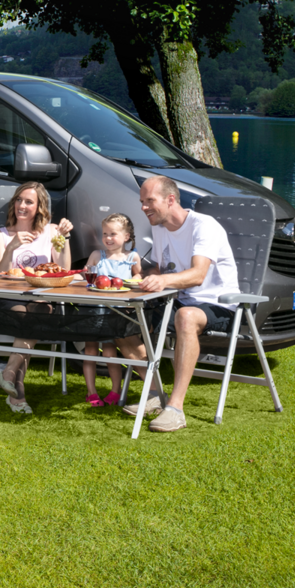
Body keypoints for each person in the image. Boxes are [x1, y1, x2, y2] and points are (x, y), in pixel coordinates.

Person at [114, 175, 238, 432]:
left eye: (149, 201)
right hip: (178, 301)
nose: (143, 207)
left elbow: (198, 275)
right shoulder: (160, 229)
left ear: (170, 199)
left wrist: (162, 280)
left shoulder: (204, 226)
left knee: (186, 317)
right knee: (122, 317)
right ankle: (154, 394)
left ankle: (175, 409)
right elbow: (161, 270)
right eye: (142, 201)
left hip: (218, 304)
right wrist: (138, 277)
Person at [0, 182, 72, 413]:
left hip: (39, 298)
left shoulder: (51, 232)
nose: (21, 206)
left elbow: (64, 269)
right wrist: (11, 247)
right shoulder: (0, 235)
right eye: (19, 200)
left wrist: (64, 238)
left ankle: (8, 374)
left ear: (39, 207)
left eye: (28, 201)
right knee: (29, 322)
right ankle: (17, 391)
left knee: (39, 311)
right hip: (8, 298)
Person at [76, 214, 141, 407]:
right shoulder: (98, 255)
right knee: (90, 351)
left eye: (113, 234)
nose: (108, 238)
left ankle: (115, 390)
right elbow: (86, 274)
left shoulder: (132, 257)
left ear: (126, 236)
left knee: (110, 352)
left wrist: (135, 280)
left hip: (116, 312)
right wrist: (79, 276)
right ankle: (91, 392)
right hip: (93, 310)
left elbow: (138, 274)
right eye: (105, 233)